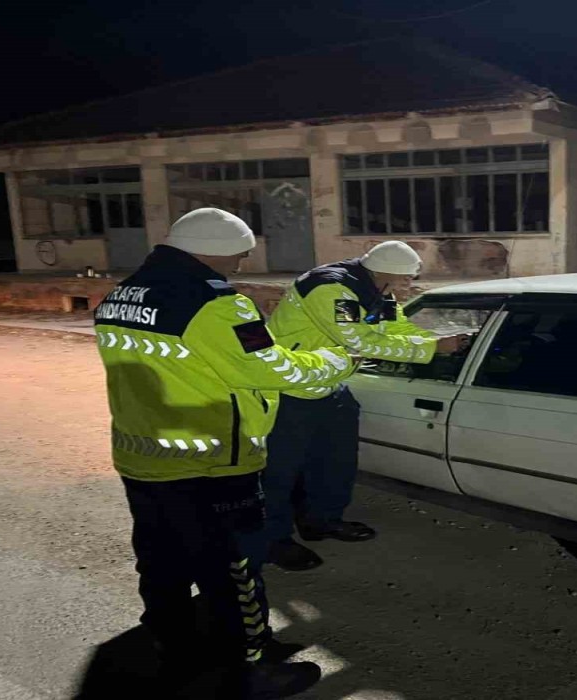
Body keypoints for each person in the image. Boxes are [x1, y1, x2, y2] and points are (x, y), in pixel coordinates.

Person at [94, 208, 357, 699]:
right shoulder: (216, 304)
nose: (242, 261)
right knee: (235, 571)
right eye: (240, 251)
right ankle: (250, 670)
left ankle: (175, 648)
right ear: (214, 249)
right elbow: (270, 370)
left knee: (161, 561)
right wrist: (335, 360)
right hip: (212, 461)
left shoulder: (122, 294)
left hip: (144, 458)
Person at [264, 241, 473, 570]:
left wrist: (436, 341)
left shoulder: (377, 291)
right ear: (384, 273)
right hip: (291, 389)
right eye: (405, 280)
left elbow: (395, 328)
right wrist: (431, 350)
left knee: (336, 461)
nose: (409, 286)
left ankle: (323, 521)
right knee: (280, 471)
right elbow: (359, 340)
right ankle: (272, 540)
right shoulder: (330, 290)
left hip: (330, 385)